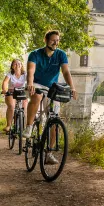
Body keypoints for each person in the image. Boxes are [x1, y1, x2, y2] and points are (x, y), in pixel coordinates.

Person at [22, 30, 77, 164]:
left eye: (57, 40)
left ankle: (49, 153)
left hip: (52, 87)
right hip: (36, 83)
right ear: (46, 40)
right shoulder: (35, 54)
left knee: (54, 120)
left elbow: (65, 71)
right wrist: (30, 83)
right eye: (53, 40)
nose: (56, 43)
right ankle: (29, 126)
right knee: (36, 97)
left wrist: (72, 87)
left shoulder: (61, 54)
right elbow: (31, 70)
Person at [1, 58, 28, 132]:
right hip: (11, 93)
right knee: (11, 106)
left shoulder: (25, 74)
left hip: (22, 92)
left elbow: (29, 81)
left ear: (21, 65)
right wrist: (4, 89)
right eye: (15, 64)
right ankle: (8, 125)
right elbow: (5, 82)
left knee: (25, 108)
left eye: (19, 64)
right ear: (12, 66)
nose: (17, 65)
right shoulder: (10, 73)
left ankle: (26, 128)